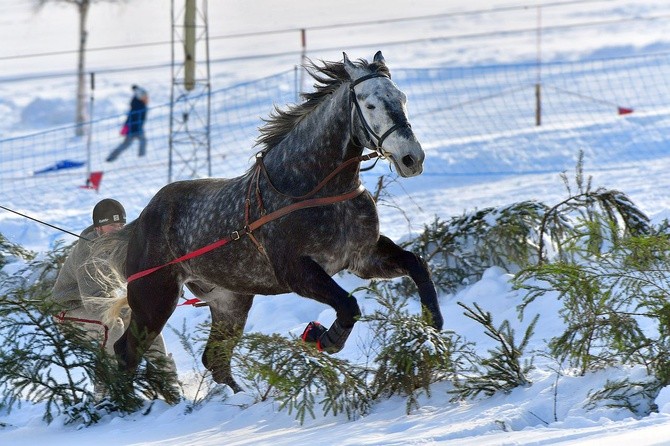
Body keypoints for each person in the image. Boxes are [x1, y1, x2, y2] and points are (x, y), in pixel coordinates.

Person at [51, 198, 177, 401]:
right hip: (69, 311)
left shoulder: (118, 244)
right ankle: (106, 390)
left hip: (101, 303)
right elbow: (95, 301)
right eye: (112, 225)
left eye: (121, 225)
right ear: (99, 227)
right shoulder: (87, 253)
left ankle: (166, 379)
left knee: (145, 321)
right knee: (113, 326)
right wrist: (124, 307)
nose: (118, 230)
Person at [106, 85, 149, 162]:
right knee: (126, 144)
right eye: (144, 97)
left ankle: (141, 157)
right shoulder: (138, 106)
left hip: (138, 129)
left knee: (141, 141)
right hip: (133, 130)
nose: (146, 98)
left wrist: (136, 89)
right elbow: (131, 118)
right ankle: (111, 157)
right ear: (140, 97)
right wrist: (127, 128)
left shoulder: (140, 104)